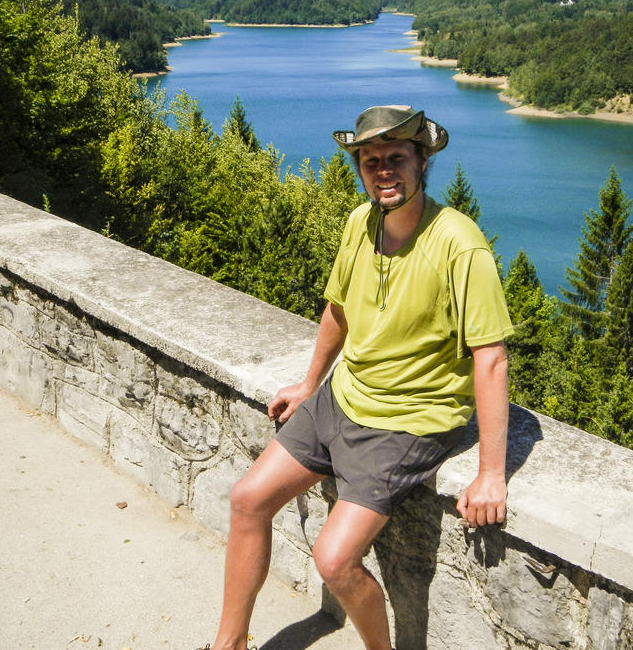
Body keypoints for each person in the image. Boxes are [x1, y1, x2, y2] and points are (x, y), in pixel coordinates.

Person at [203, 105, 514, 650]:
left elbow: (490, 356)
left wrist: (491, 473)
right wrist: (308, 384)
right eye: (371, 162)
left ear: (422, 162)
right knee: (248, 499)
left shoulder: (459, 243)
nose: (383, 171)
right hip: (342, 397)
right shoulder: (359, 221)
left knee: (334, 559)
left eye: (396, 158)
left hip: (408, 421)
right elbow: (338, 310)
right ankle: (228, 645)